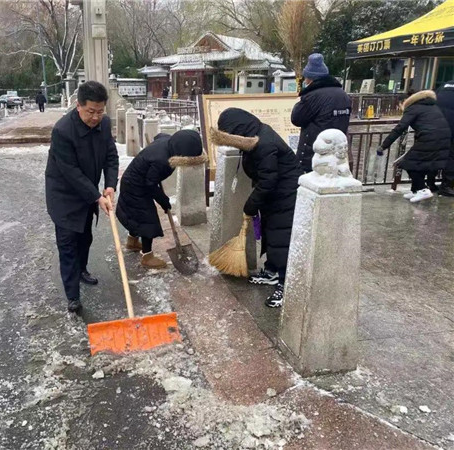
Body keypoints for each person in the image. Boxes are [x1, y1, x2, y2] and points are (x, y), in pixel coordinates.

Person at [212, 108, 303, 308]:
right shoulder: (254, 137)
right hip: (273, 195)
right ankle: (271, 272)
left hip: (286, 193)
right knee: (271, 232)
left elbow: (269, 180)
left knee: (281, 237)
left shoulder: (265, 143)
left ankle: (285, 283)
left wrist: (251, 205)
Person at [45, 81, 119, 314]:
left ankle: (82, 269)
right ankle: (72, 295)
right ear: (78, 106)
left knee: (85, 237)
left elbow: (111, 156)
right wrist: (97, 196)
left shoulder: (104, 124)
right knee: (68, 245)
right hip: (64, 196)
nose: (96, 117)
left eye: (100, 111)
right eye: (91, 112)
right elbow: (71, 173)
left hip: (89, 193)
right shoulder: (63, 131)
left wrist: (109, 186)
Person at [116, 131, 206, 269]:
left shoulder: (168, 141)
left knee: (137, 215)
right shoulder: (162, 161)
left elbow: (158, 135)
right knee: (147, 219)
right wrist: (163, 200)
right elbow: (150, 184)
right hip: (135, 187)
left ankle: (132, 242)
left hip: (133, 181)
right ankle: (147, 257)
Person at [377, 90, 451, 203]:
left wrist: (383, 146)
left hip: (430, 139)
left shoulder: (412, 108)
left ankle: (423, 189)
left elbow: (400, 128)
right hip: (443, 138)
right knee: (418, 165)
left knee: (407, 163)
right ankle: (415, 190)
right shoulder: (431, 106)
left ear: (404, 102)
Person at [291, 53, 351, 172]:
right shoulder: (343, 95)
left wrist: (303, 97)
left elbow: (296, 118)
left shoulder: (312, 96)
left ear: (310, 78)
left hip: (314, 155)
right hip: (338, 155)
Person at [436, 80, 454, 197]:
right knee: (451, 157)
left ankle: (429, 183)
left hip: (436, 127)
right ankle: (447, 185)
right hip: (452, 130)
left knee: (435, 154)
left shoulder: (444, 86)